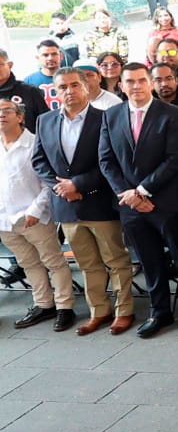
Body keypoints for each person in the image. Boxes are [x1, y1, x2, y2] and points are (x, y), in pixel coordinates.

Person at [97, 62, 178, 338]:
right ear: (121, 85)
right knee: (149, 261)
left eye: (141, 81)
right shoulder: (111, 116)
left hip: (167, 202)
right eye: (129, 82)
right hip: (130, 206)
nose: (136, 86)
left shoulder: (173, 114)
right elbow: (106, 160)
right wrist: (128, 194)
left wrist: (143, 191)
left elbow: (176, 158)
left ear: (150, 83)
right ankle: (160, 312)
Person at [31, 67, 134, 334]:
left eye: (74, 85)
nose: (69, 91)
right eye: (63, 87)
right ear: (55, 91)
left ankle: (124, 312)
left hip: (99, 202)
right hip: (67, 206)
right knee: (87, 264)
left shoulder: (107, 118)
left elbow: (113, 162)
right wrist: (62, 188)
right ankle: (99, 311)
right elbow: (39, 161)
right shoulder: (45, 121)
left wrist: (78, 184)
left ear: (86, 86)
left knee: (116, 261)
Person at [0, 99, 74, 330]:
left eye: (6, 111)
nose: (1, 116)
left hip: (34, 216)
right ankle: (43, 304)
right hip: (5, 219)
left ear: (20, 116)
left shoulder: (34, 143)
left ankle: (65, 307)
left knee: (53, 262)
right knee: (28, 263)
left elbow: (48, 182)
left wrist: (35, 210)